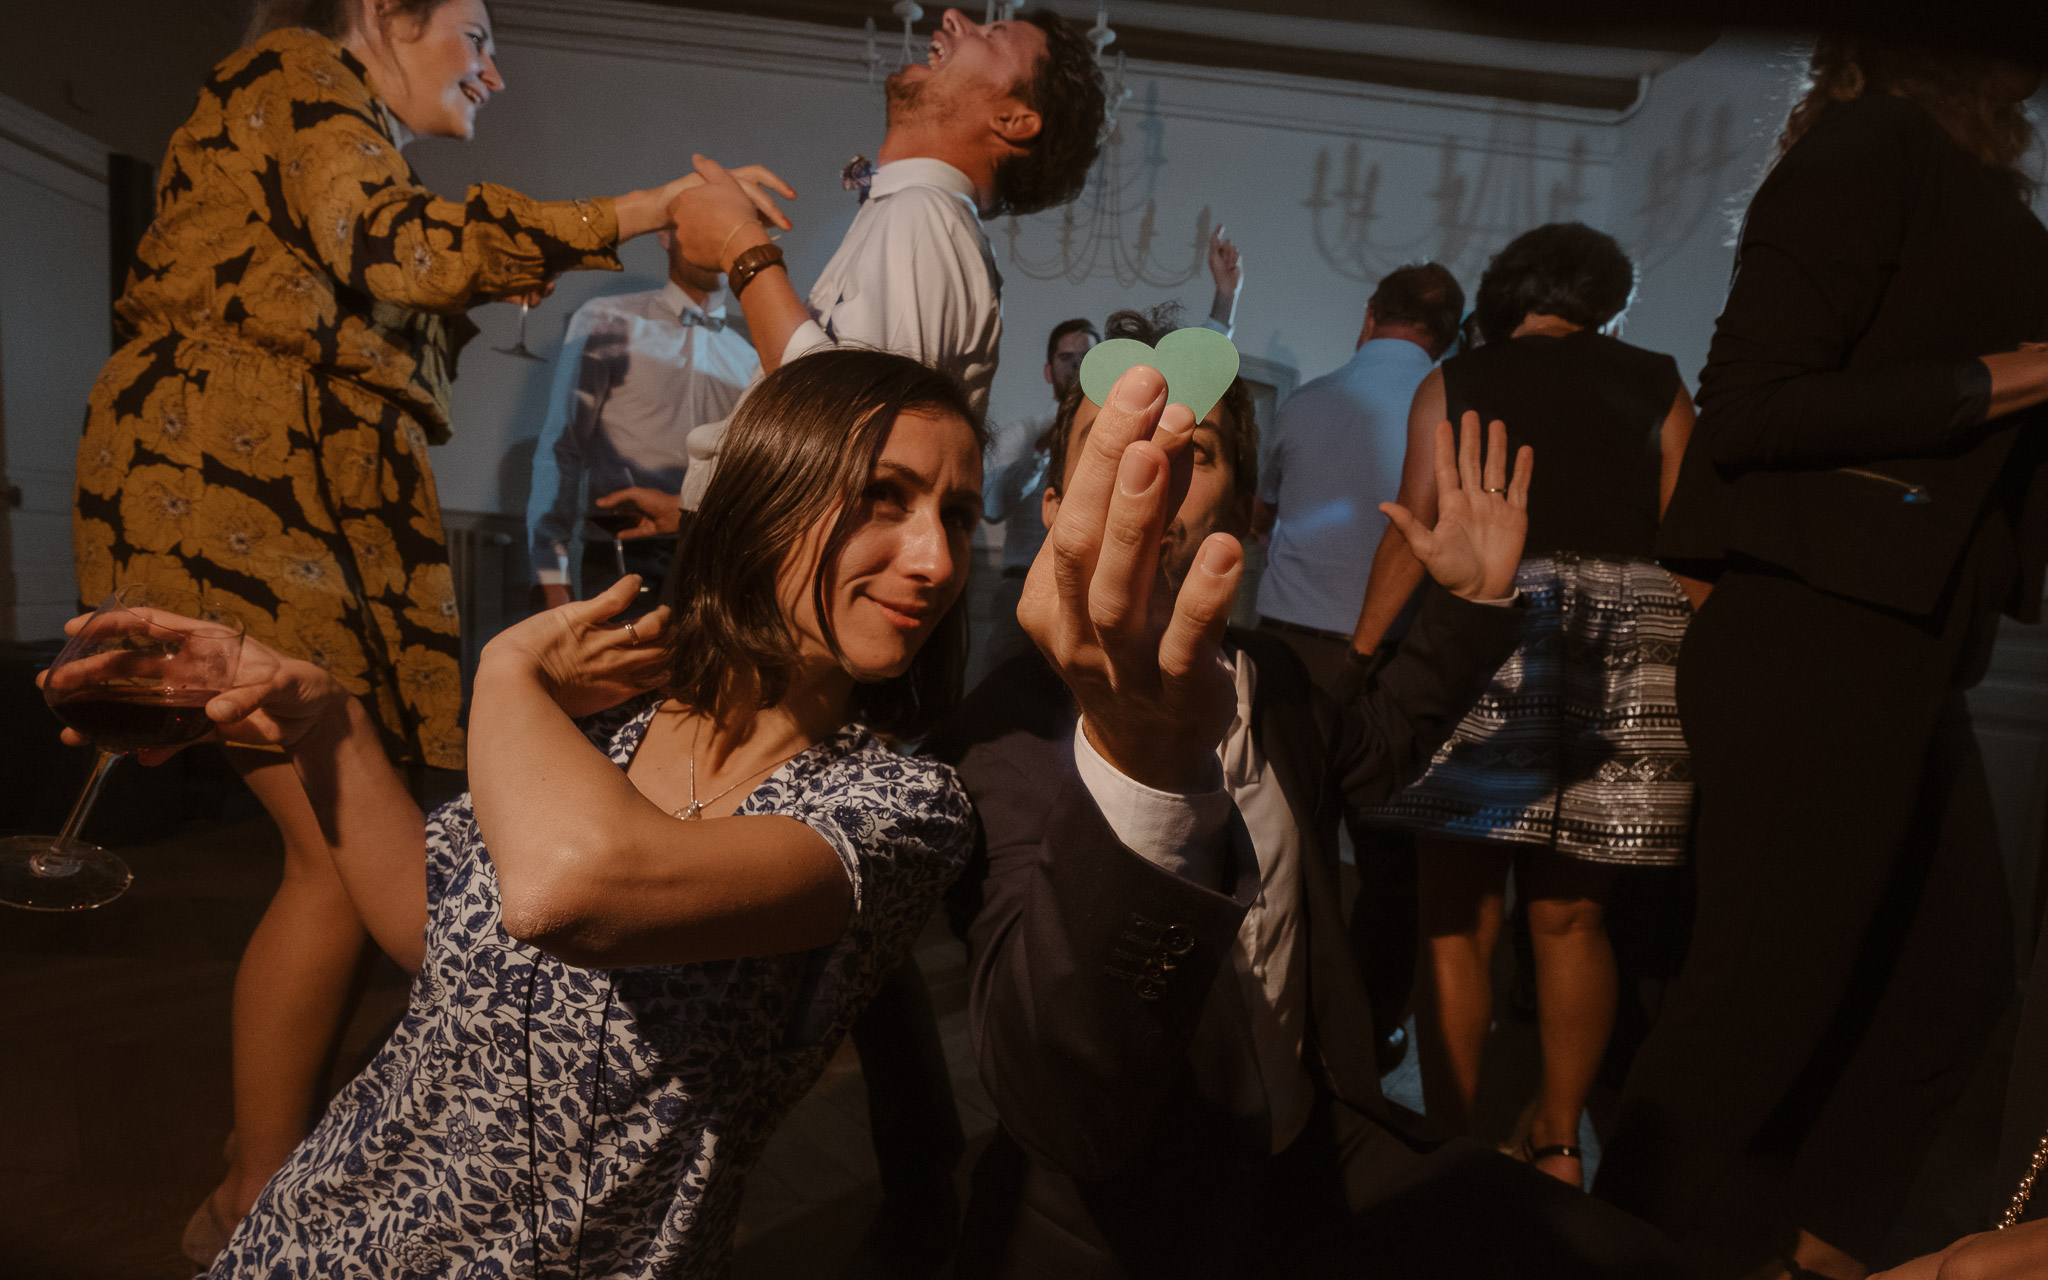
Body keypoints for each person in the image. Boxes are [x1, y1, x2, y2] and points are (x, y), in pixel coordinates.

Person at [65, 0, 791, 1261]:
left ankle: (256, 1181)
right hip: (237, 482)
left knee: (343, 847)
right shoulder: (292, 74)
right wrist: (647, 205)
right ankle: (256, 1194)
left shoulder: (339, 130)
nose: (492, 68)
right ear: (379, 15)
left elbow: (394, 275)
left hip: (319, 492)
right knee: (337, 856)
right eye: (473, 31)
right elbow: (405, 249)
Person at [68, 350, 985, 1275]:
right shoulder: (613, 724)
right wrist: (327, 722)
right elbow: (434, 926)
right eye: (884, 497)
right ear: (763, 503)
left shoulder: (900, 810)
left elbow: (568, 895)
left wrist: (510, 671)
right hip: (317, 1237)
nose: (936, 560)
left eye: (956, 515)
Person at [931, 317, 1697, 1276]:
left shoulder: (1271, 674)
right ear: (1055, 506)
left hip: (1318, 1148)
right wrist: (1139, 764)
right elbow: (1059, 1099)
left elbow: (1380, 756)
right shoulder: (997, 741)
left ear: (1247, 513)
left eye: (1195, 450)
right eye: (1113, 442)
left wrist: (1469, 601)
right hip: (1122, 1217)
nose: (1150, 466)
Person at [1593, 36, 2048, 1280]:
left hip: (1908, 634)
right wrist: (2023, 372)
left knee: (1943, 993)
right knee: (1745, 1011)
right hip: (1814, 626)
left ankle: (1810, 1261)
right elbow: (1749, 408)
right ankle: (1589, 1251)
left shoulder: (1972, 187)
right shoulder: (1873, 143)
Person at [1350, 224, 1697, 1191]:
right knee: (1574, 922)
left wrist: (1361, 660)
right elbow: (1693, 540)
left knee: (1456, 918)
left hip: (1486, 640)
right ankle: (1556, 1143)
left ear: (1509, 294)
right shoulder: (1657, 379)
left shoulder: (1457, 379)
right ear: (1609, 302)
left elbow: (1412, 531)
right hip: (1623, 661)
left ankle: (1453, 1140)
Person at [669, 6, 1109, 511]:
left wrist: (740, 247)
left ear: (1012, 119)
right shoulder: (918, 215)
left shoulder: (926, 217)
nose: (952, 17)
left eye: (992, 34)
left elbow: (857, 434)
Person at [1252, 262, 1464, 692]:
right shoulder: (1455, 416)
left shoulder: (1301, 403)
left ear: (1370, 315)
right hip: (1387, 649)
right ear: (1447, 341)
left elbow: (1258, 512)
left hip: (1280, 640)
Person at [524, 232, 758, 614]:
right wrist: (551, 576)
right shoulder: (607, 320)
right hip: (621, 553)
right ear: (665, 234)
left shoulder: (751, 356)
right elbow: (561, 446)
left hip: (717, 562)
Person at [976, 317, 1098, 682]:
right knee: (1001, 699)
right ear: (1048, 371)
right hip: (1022, 588)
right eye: (1066, 358)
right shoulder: (1023, 433)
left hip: (1092, 595)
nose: (1076, 366)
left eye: (1087, 357)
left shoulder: (1116, 435)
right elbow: (992, 506)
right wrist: (1043, 448)